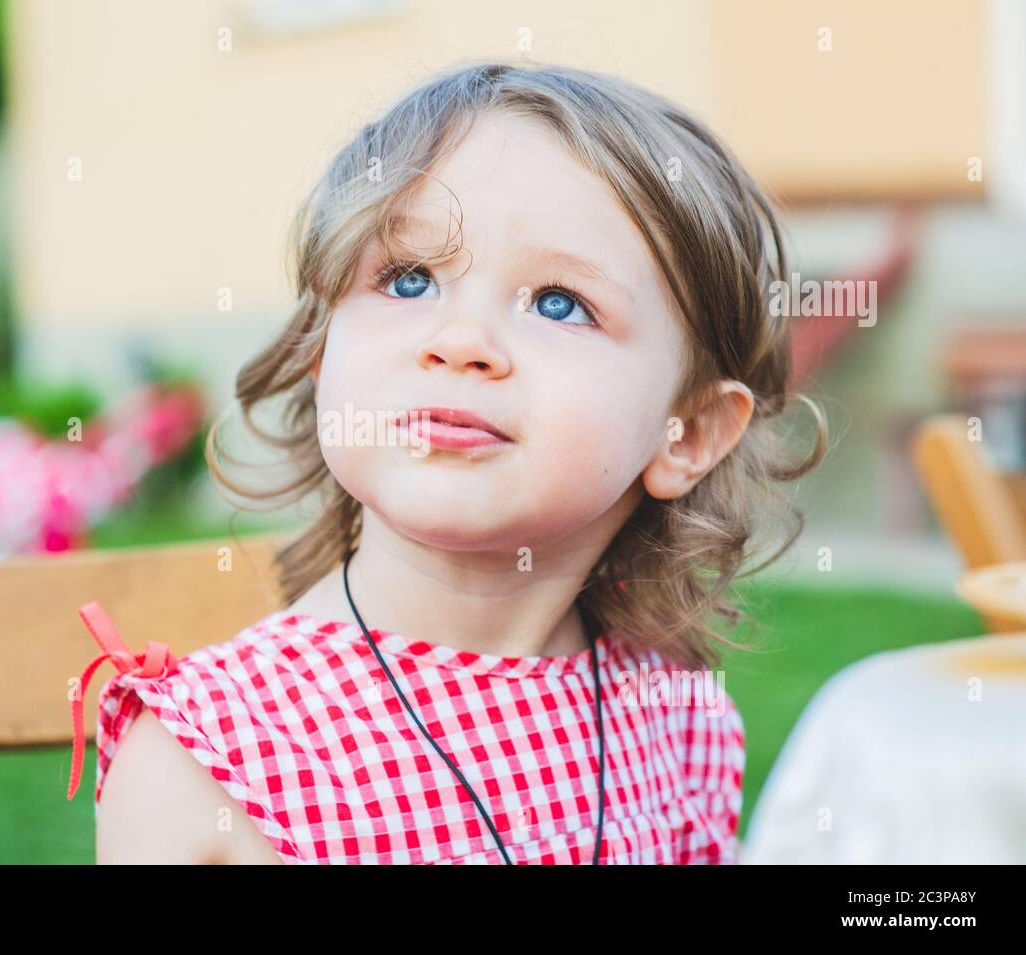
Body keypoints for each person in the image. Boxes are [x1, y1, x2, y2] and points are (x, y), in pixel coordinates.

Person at [72, 60, 826, 864]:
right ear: (321, 353)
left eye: (560, 303)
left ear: (688, 432)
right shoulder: (208, 767)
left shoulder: (674, 717)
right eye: (407, 280)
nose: (461, 342)